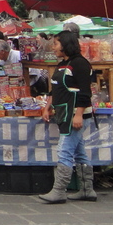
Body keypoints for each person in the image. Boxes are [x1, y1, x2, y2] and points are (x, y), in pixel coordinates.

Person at [38, 30, 96, 204]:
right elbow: (54, 89)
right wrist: (47, 107)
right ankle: (87, 190)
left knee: (64, 151)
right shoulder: (63, 64)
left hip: (75, 115)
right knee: (79, 153)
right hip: (63, 113)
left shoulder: (80, 64)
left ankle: (59, 191)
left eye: (56, 44)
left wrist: (78, 115)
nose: (54, 47)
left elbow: (85, 93)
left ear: (66, 44)